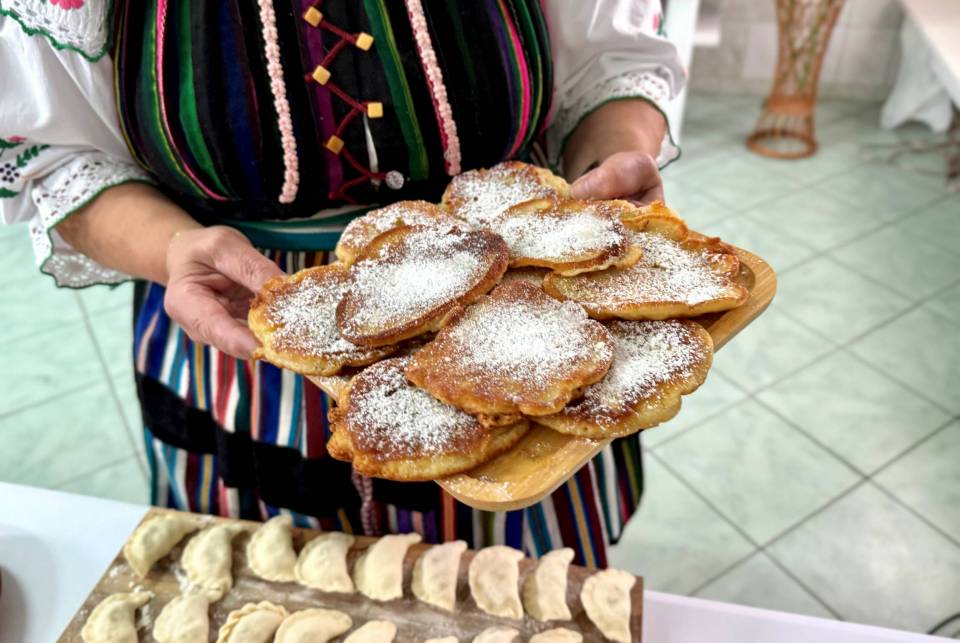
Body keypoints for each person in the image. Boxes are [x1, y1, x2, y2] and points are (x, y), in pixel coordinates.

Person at [0, 0, 684, 567]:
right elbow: (57, 157)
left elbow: (606, 67)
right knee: (272, 594)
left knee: (513, 597)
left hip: (520, 325)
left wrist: (609, 165)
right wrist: (172, 247)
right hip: (247, 327)